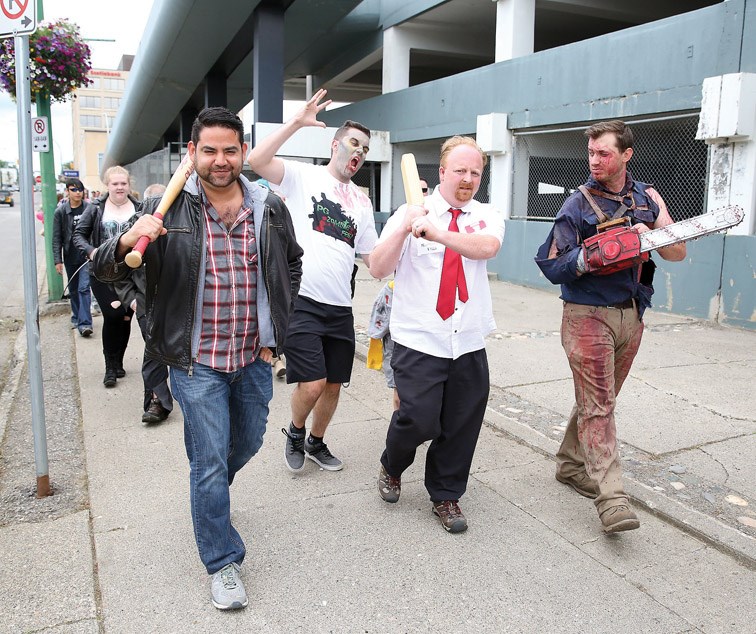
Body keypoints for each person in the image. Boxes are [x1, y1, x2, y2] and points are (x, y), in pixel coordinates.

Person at [93, 107, 302, 610]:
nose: (221, 160)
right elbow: (102, 269)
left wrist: (278, 328)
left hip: (253, 355)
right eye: (209, 150)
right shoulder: (164, 210)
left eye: (231, 149)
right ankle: (222, 561)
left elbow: (291, 264)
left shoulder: (268, 206)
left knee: (248, 440)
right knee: (208, 462)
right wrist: (126, 240)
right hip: (195, 361)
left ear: (243, 152)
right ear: (193, 153)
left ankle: (210, 497)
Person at [534, 120, 686, 534]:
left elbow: (677, 252)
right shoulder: (577, 206)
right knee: (599, 406)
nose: (595, 160)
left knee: (598, 401)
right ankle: (613, 499)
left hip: (632, 315)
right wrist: (590, 256)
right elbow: (549, 264)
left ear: (626, 155)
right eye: (591, 153)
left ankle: (570, 464)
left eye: (603, 153)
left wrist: (652, 229)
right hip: (587, 316)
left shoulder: (646, 198)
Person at [369, 136, 504, 533]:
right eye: (459, 170)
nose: (467, 178)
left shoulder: (486, 214)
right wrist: (406, 227)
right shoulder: (411, 211)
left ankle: (446, 496)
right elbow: (378, 267)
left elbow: (486, 248)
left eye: (475, 172)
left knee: (462, 422)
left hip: (468, 340)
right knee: (419, 418)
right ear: (442, 171)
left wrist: (439, 232)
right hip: (419, 339)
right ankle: (392, 464)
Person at [247, 88, 378, 473]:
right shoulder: (303, 176)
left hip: (340, 306)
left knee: (335, 386)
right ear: (335, 145)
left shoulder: (362, 202)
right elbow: (256, 160)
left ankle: (317, 443)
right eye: (353, 143)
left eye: (365, 149)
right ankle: (295, 431)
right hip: (302, 300)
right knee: (314, 383)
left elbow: (373, 257)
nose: (358, 152)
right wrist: (296, 122)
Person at [113, 182, 174, 424]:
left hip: (177, 301)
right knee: (154, 349)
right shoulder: (135, 229)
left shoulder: (180, 227)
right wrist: (131, 301)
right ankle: (157, 401)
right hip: (146, 303)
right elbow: (119, 269)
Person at [74, 166, 139, 387]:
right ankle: (110, 367)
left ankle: (119, 361)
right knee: (113, 315)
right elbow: (79, 235)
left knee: (126, 316)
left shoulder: (139, 208)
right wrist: (93, 252)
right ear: (107, 185)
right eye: (115, 184)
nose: (119, 187)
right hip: (102, 272)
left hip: (131, 274)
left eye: (123, 183)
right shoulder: (95, 208)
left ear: (129, 185)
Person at [52, 178, 93, 337]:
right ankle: (76, 316)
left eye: (80, 189)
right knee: (74, 289)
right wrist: (58, 260)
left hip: (87, 256)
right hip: (70, 255)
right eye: (74, 190)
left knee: (84, 288)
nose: (78, 193)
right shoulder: (61, 212)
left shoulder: (90, 208)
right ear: (67, 192)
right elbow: (57, 238)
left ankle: (85, 324)